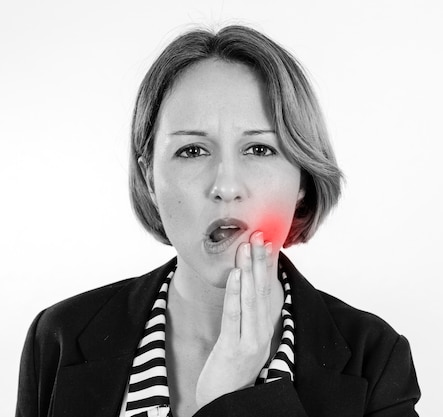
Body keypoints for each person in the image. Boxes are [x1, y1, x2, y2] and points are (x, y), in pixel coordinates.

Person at [16, 25, 420, 417]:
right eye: (192, 151)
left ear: (303, 178)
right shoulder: (59, 337)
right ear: (148, 178)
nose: (226, 185)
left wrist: (234, 399)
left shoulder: (375, 359)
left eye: (260, 148)